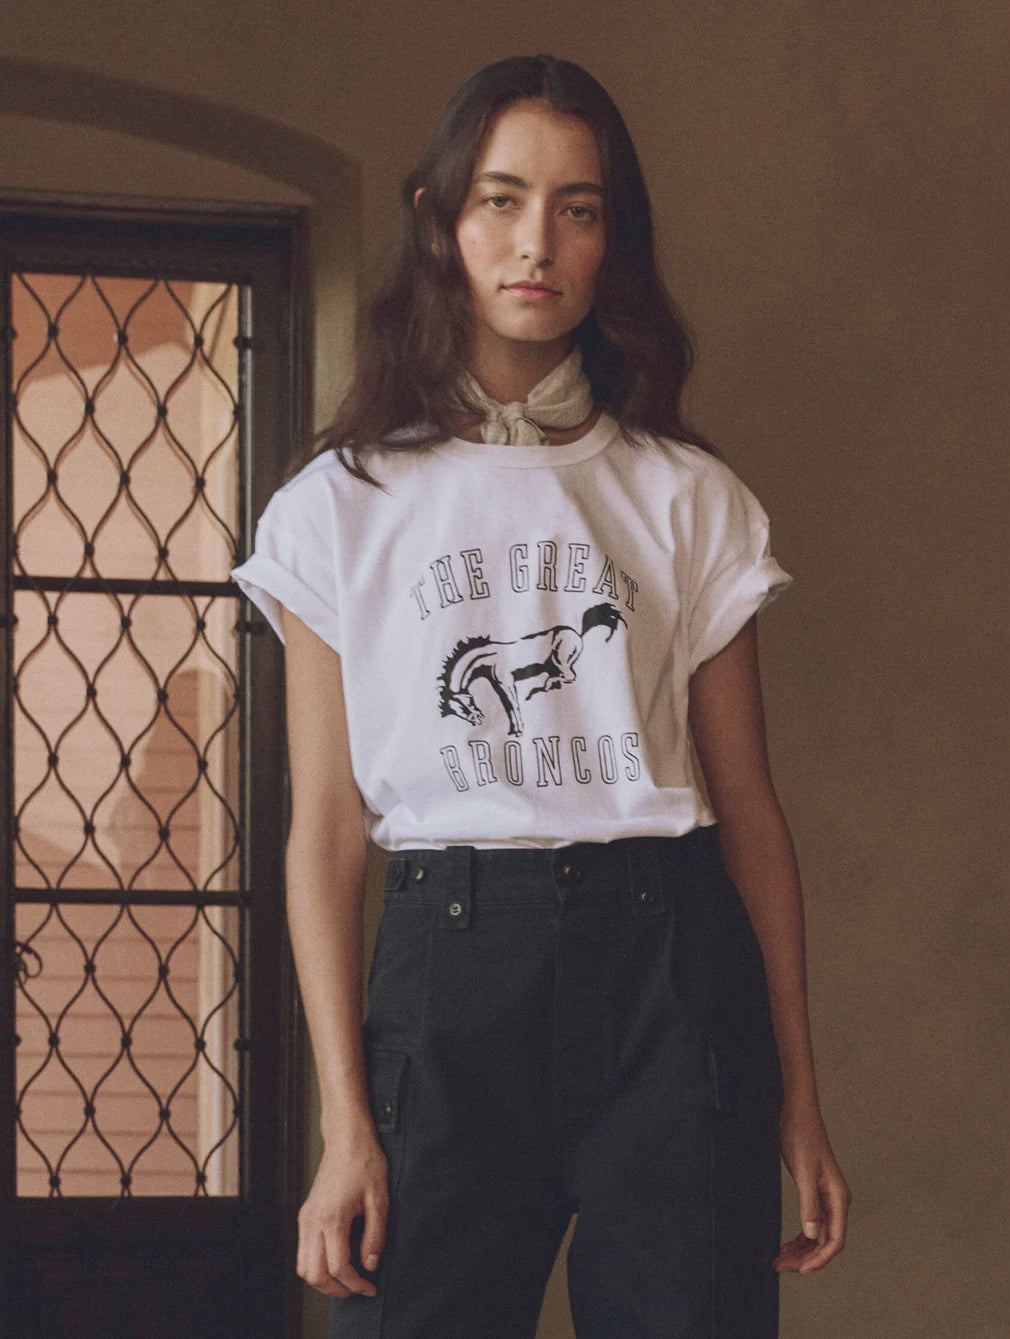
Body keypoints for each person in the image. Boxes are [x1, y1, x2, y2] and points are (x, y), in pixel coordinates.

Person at [230, 53, 851, 1339]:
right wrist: (347, 1123)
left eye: (578, 208)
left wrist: (797, 1092)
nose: (535, 243)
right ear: (438, 220)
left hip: (668, 974)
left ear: (611, 239)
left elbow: (753, 813)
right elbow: (327, 833)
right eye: (501, 201)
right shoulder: (335, 508)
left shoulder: (687, 499)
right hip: (448, 980)